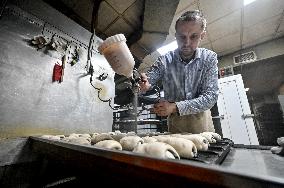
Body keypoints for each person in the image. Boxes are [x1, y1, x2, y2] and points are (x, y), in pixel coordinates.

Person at [139, 10, 219, 134]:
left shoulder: (209, 58)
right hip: (176, 125)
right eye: (182, 37)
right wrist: (145, 84)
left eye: (194, 36)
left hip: (202, 123)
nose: (186, 43)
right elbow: (149, 79)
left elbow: (210, 97)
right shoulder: (164, 60)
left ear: (202, 36)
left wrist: (174, 107)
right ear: (176, 36)